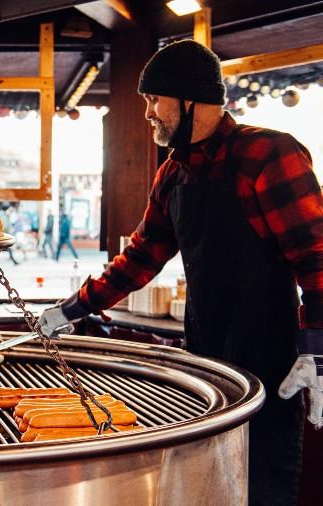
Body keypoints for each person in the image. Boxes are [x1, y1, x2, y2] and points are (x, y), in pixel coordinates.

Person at [38, 40, 323, 505]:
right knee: (210, 486)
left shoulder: (268, 153)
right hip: (208, 358)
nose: (147, 112)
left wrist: (318, 349)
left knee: (263, 485)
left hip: (273, 364)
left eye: (154, 99)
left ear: (190, 99)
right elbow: (142, 256)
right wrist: (72, 308)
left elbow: (316, 255)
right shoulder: (173, 172)